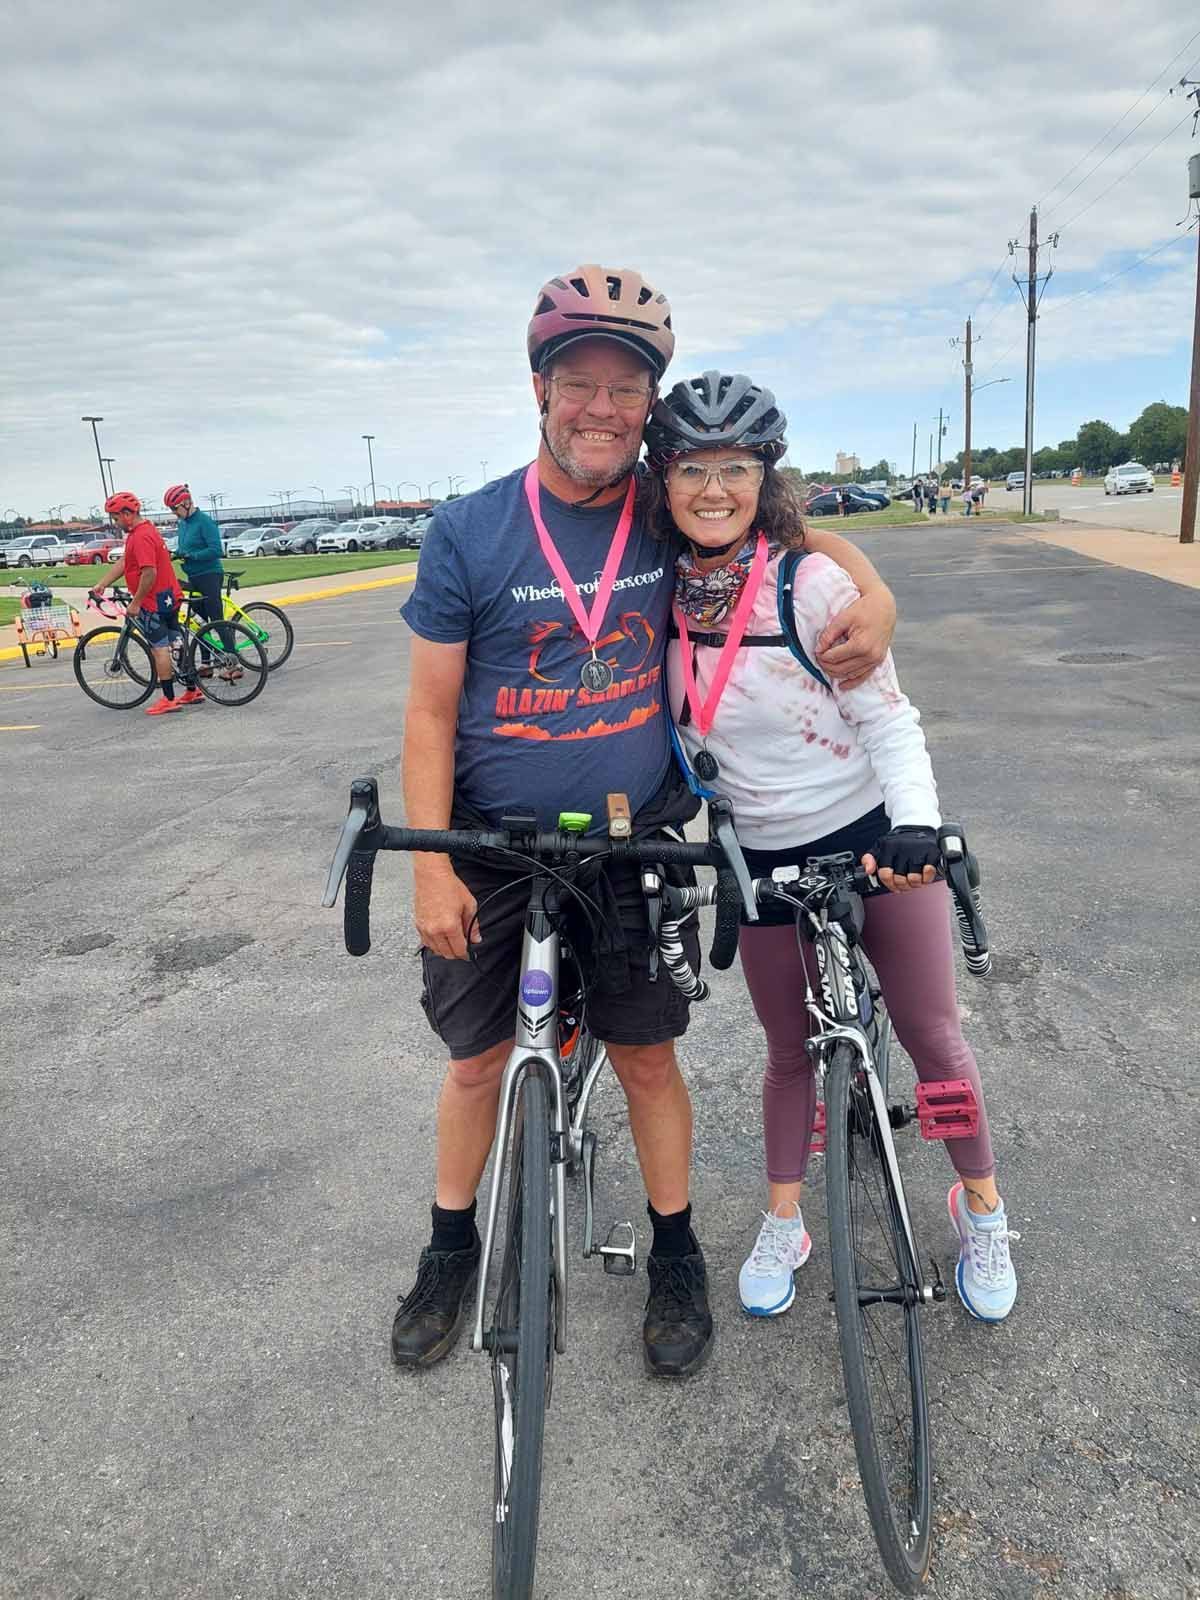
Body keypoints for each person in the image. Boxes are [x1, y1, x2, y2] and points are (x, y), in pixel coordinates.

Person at [391, 265, 900, 1380]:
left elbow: (787, 534)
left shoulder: (666, 515)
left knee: (646, 1059)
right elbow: (429, 714)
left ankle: (676, 1253)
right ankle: (446, 1247)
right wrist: (431, 870)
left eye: (627, 390)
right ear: (540, 389)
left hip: (634, 844)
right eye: (580, 382)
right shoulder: (470, 531)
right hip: (492, 844)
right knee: (477, 1064)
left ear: (647, 407)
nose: (602, 409)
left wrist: (877, 589)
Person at [645, 373, 1018, 1325]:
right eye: (694, 467)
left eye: (736, 467)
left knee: (935, 1038)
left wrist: (917, 828)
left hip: (870, 838)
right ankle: (786, 1220)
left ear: (764, 476)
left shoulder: (809, 582)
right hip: (757, 855)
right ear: (666, 479)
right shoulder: (659, 588)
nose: (715, 488)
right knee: (785, 1053)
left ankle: (979, 1205)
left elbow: (892, 724)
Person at [88, 491, 203, 715]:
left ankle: (168, 699)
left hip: (152, 601)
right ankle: (192, 689)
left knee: (159, 648)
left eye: (116, 517)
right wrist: (102, 584)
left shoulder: (139, 537)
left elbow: (149, 572)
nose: (115, 522)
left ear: (128, 514)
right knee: (176, 641)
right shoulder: (145, 530)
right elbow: (125, 562)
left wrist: (136, 602)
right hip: (169, 596)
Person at [164, 484, 240, 680]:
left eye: (175, 508)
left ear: (187, 503)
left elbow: (216, 550)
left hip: (210, 575)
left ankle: (234, 664)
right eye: (171, 510)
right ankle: (207, 663)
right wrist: (176, 554)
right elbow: (185, 547)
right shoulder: (183, 524)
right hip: (194, 576)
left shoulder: (204, 522)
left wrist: (192, 555)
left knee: (216, 620)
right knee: (199, 622)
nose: (174, 513)